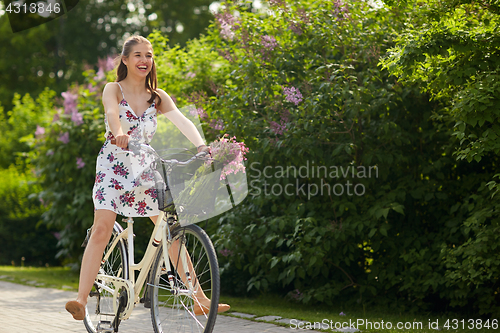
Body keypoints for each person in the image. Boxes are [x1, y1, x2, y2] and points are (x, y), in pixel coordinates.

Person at [65, 35, 230, 321]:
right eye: (138, 55)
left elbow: (182, 120)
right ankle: (81, 299)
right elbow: (111, 112)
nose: (145, 60)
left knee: (170, 229)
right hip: (114, 166)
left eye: (149, 55)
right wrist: (119, 133)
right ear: (125, 60)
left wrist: (203, 146)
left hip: (145, 165)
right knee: (103, 228)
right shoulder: (113, 89)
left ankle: (199, 298)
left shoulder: (158, 96)